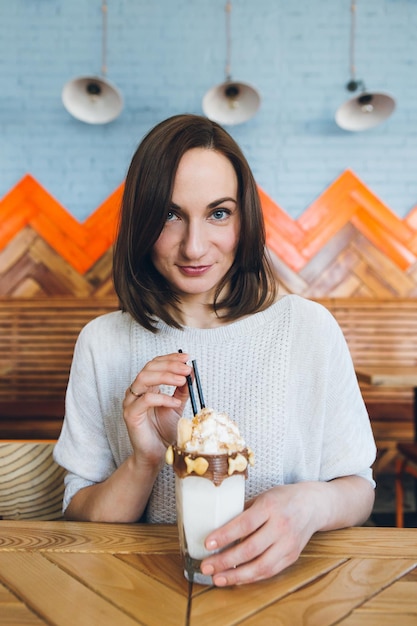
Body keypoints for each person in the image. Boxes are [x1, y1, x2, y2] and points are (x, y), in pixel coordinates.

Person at [53, 113, 376, 586]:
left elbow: (358, 487)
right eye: (169, 215)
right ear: (142, 220)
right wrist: (143, 459)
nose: (194, 246)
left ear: (245, 218)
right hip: (140, 590)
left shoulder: (307, 329)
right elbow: (80, 514)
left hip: (287, 589)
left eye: (218, 213)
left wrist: (309, 504)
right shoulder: (102, 343)